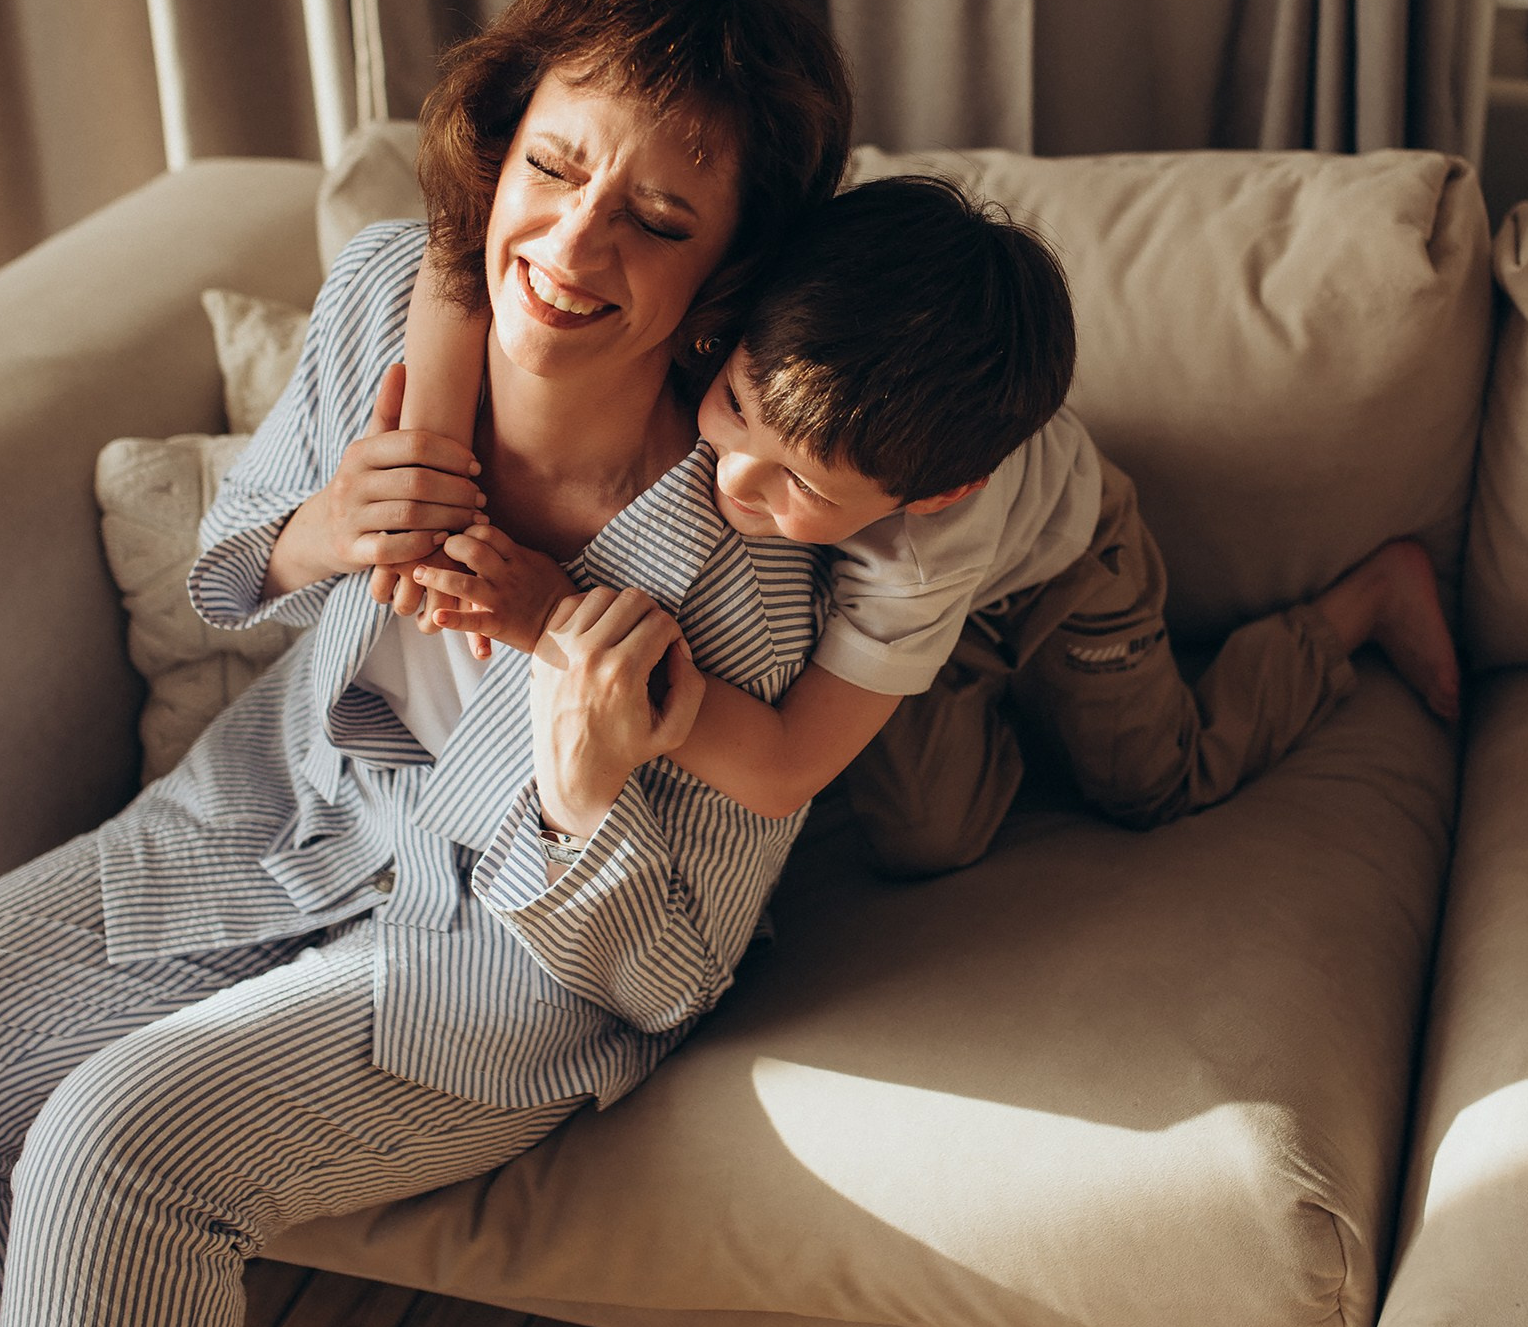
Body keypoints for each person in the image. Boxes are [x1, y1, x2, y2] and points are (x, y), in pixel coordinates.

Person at [0, 0, 854, 1327]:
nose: (575, 245)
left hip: (508, 963)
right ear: (502, 147)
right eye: (555, 165)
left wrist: (583, 799)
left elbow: (668, 975)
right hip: (270, 819)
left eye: (655, 218)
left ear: (728, 272)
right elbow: (227, 575)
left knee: (114, 1149)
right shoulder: (389, 294)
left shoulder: (746, 563)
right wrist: (318, 531)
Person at [396, 174, 1462, 878]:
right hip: (933, 627)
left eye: (802, 486)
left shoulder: (919, 550)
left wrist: (558, 619)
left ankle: (1362, 603)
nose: (736, 484)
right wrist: (429, 455)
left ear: (936, 493)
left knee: (1154, 781)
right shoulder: (752, 315)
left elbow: (784, 767)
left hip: (1067, 574)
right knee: (925, 842)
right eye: (735, 411)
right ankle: (980, 696)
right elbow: (460, 233)